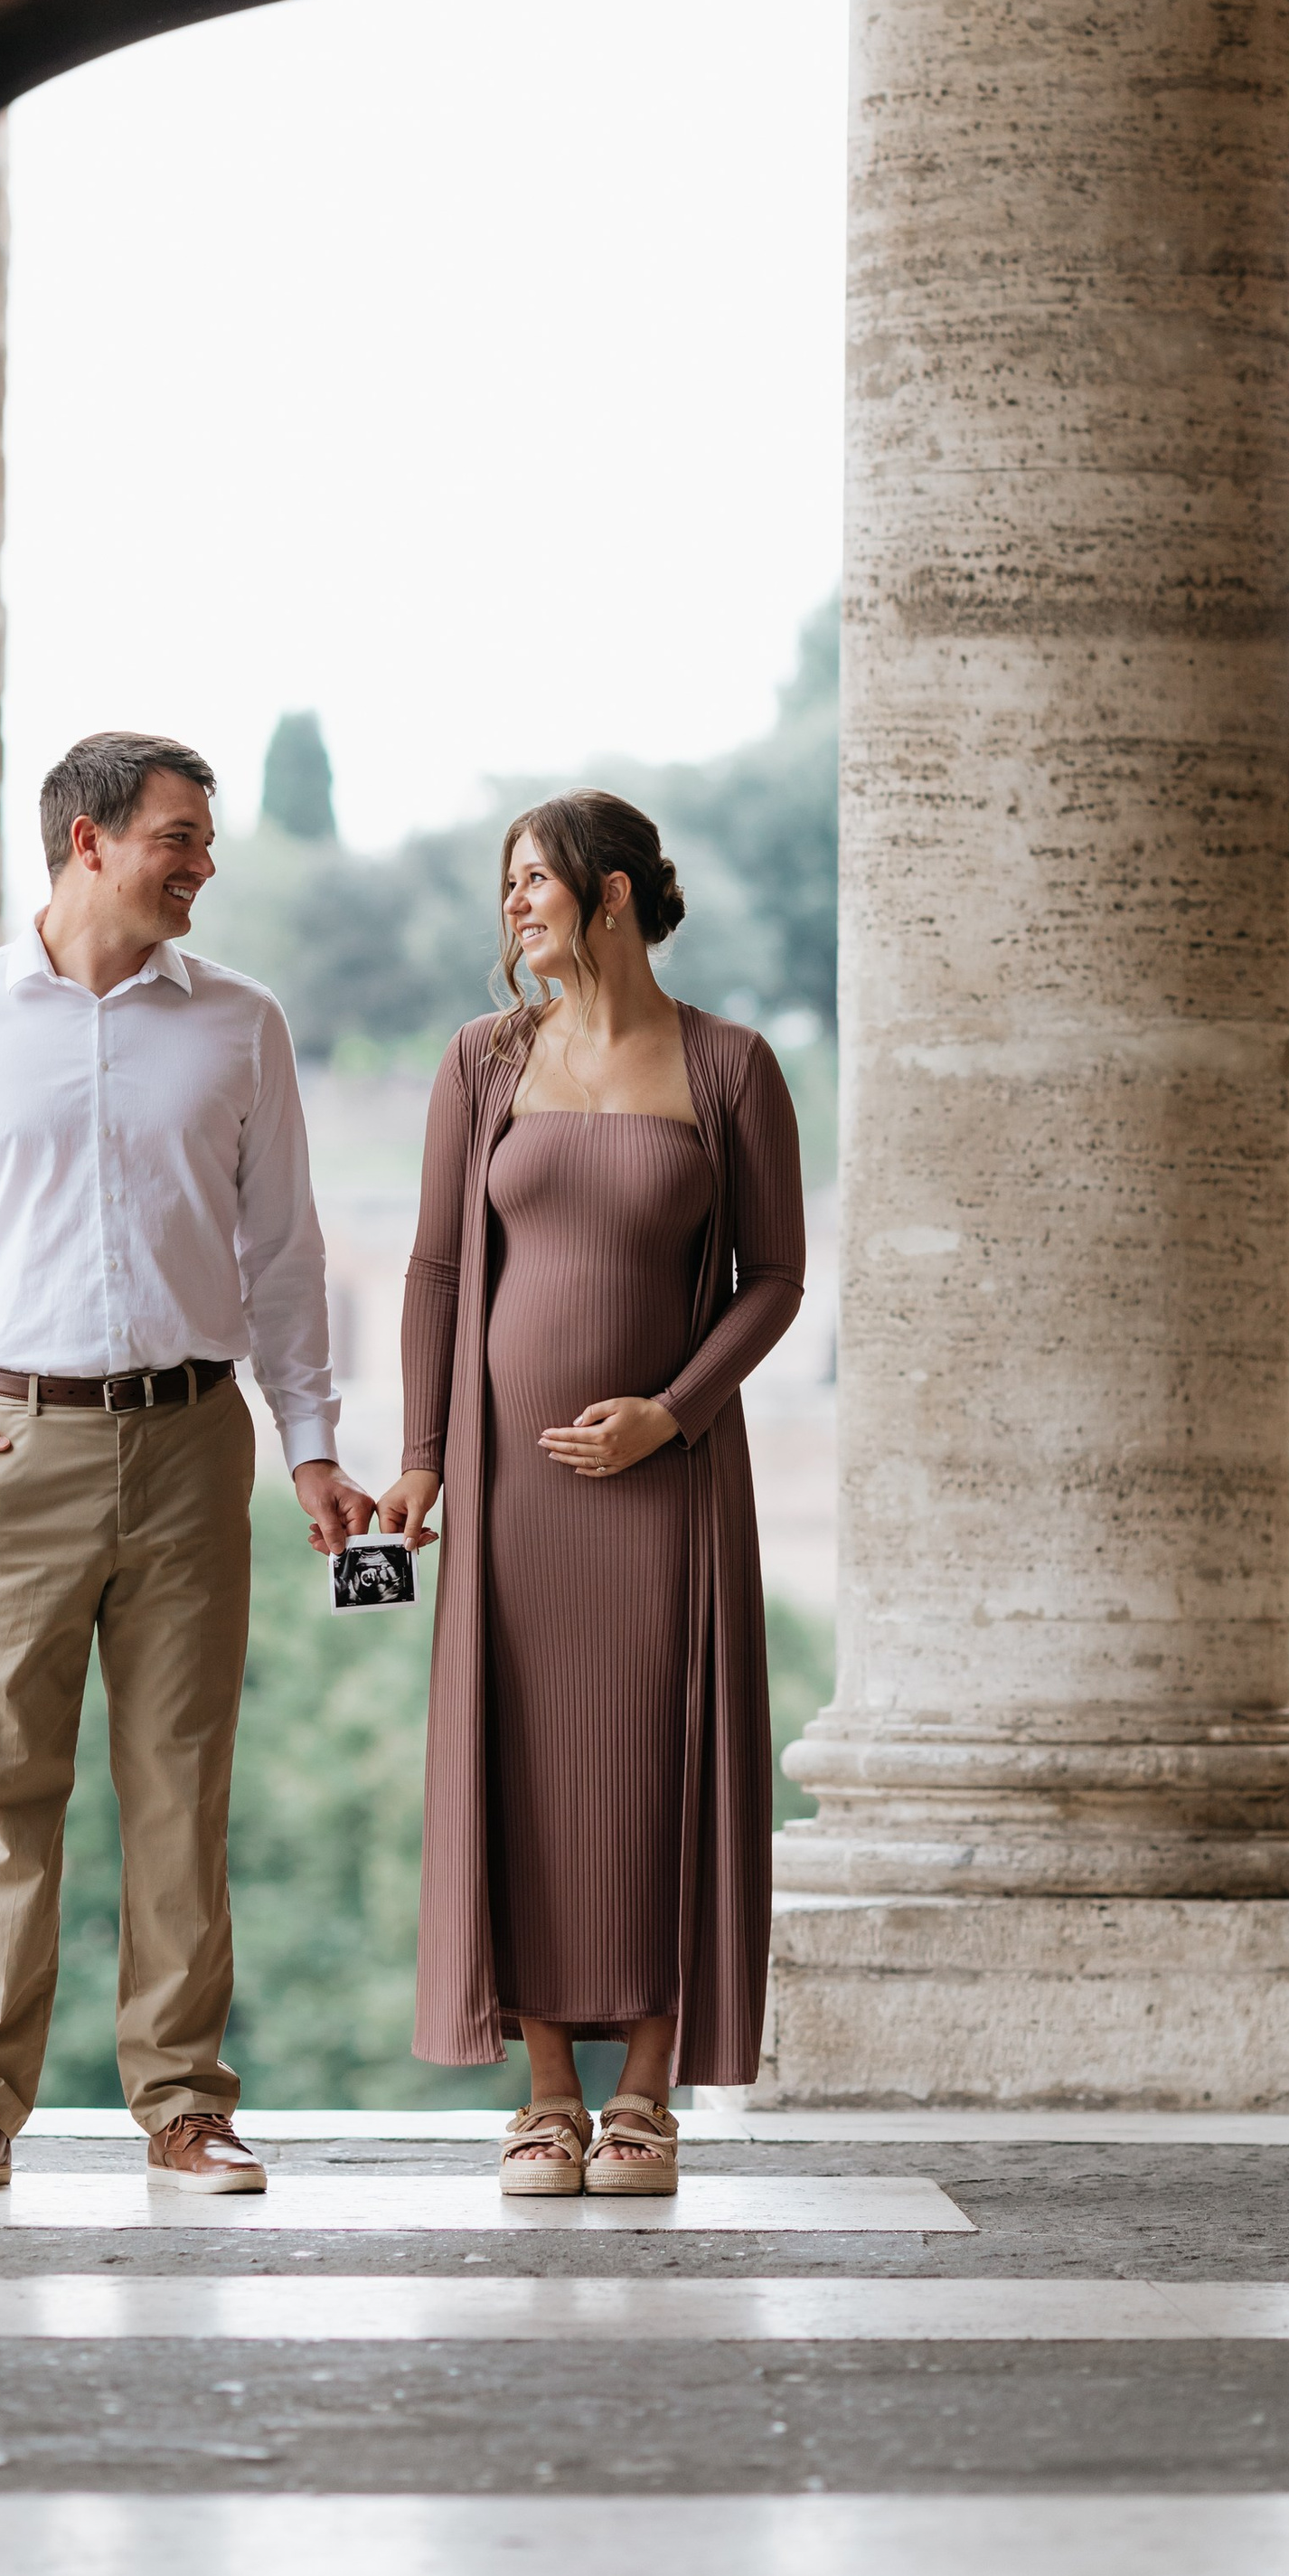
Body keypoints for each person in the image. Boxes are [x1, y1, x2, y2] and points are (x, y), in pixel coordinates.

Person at [0, 731, 373, 2195]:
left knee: (179, 1783)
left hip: (196, 1441)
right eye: (179, 839)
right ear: (89, 842)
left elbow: (284, 1260)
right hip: (10, 1443)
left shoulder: (241, 1025)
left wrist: (311, 1446)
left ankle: (185, 2101)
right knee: (3, 1784)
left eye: (204, 843)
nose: (204, 866)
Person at [374, 791, 805, 2197]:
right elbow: (438, 1270)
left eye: (535, 878)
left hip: (668, 1485)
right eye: (506, 881)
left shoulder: (734, 1067)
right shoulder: (484, 1059)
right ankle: (548, 2088)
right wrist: (428, 1456)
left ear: (611, 894)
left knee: (661, 1769)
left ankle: (645, 2091)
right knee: (528, 1770)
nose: (514, 904)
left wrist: (672, 1415)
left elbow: (778, 1279)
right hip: (509, 1494)